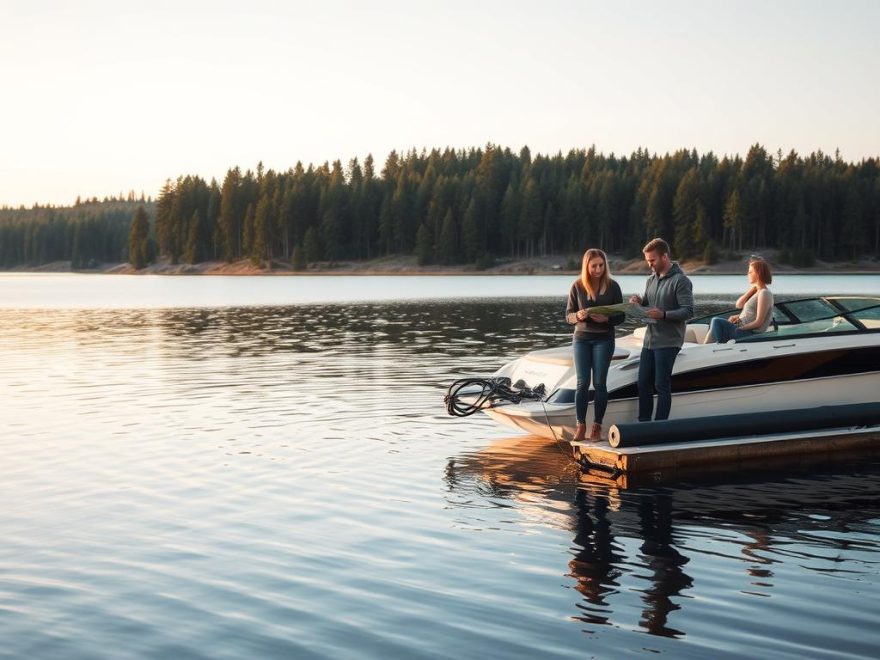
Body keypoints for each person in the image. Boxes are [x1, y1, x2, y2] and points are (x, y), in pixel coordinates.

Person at [628, 238, 694, 421]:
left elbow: (688, 311)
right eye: (648, 260)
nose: (649, 264)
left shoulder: (681, 281)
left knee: (661, 385)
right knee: (643, 384)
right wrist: (639, 302)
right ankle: (644, 425)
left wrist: (664, 315)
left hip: (669, 341)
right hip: (650, 341)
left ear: (665, 257)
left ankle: (659, 426)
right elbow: (649, 304)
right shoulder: (651, 280)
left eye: (652, 260)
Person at [566, 248, 624, 442]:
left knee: (599, 383)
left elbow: (621, 315)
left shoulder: (613, 286)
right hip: (581, 338)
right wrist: (578, 316)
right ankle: (580, 426)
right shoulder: (577, 286)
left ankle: (597, 426)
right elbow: (568, 316)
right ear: (586, 266)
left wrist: (606, 319)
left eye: (601, 265)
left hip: (604, 339)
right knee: (582, 383)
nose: (598, 269)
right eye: (594, 266)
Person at [704, 257, 774, 343]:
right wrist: (753, 289)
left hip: (750, 334)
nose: (747, 274)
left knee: (716, 321)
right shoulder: (757, 292)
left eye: (750, 272)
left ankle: (709, 348)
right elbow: (739, 304)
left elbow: (759, 322)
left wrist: (739, 328)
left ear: (758, 273)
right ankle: (711, 347)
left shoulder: (764, 293)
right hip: (744, 329)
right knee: (715, 323)